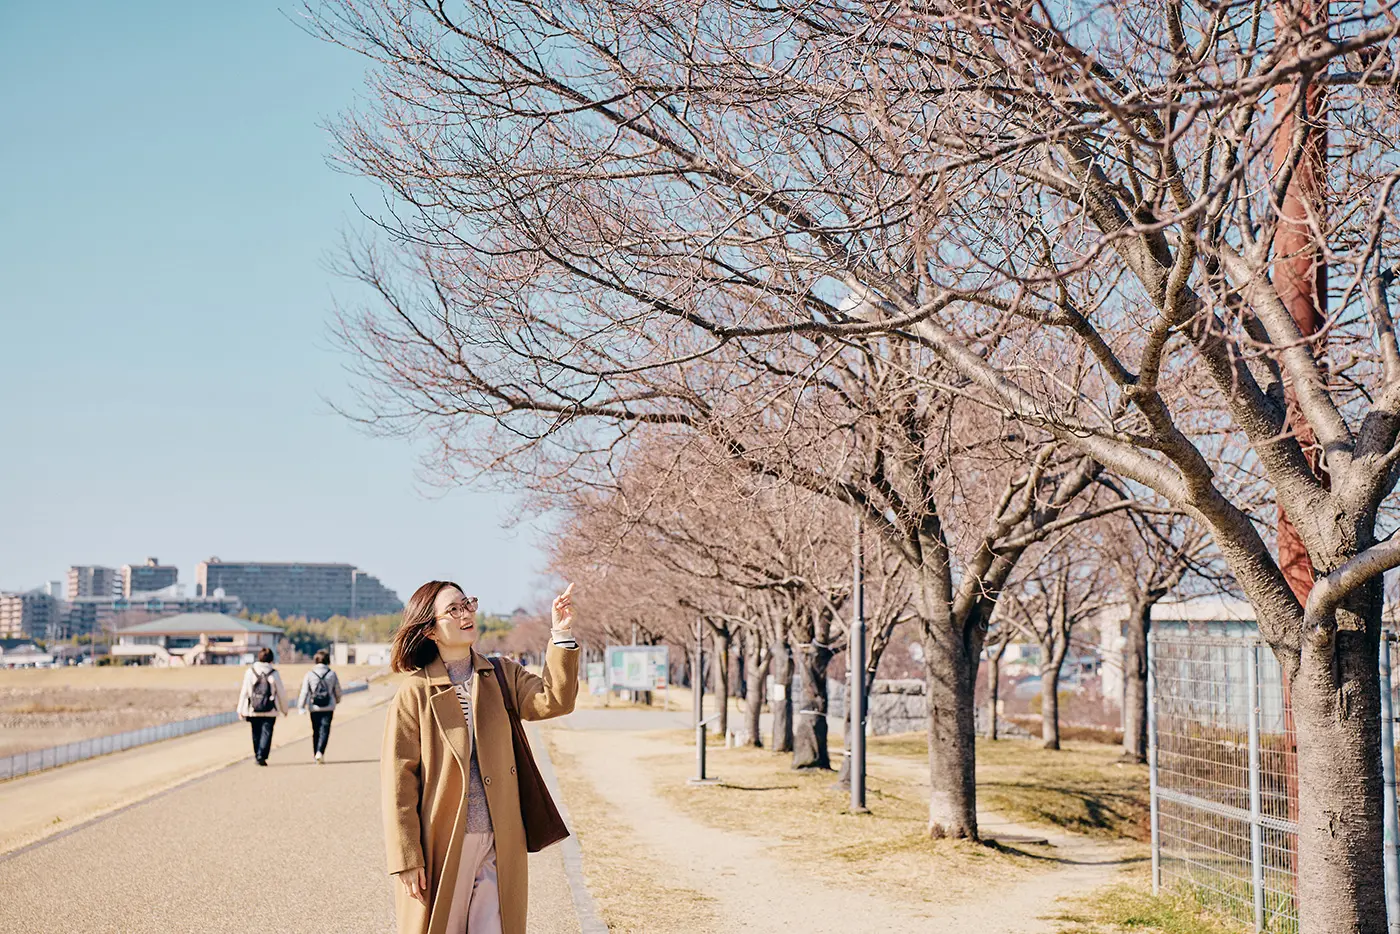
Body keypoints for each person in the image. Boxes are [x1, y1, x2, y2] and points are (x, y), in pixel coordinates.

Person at [383, 580, 579, 934]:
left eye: (467, 604)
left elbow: (555, 700)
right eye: (453, 610)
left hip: (500, 838)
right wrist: (406, 857)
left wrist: (561, 634)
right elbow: (398, 782)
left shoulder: (501, 674)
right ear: (429, 630)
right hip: (442, 841)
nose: (466, 614)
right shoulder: (414, 693)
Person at [236, 647, 287, 766]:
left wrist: (240, 709)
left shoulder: (250, 672)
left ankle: (257, 754)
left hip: (253, 709)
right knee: (267, 732)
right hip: (270, 709)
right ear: (271, 659)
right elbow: (281, 692)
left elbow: (244, 691)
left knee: (255, 732)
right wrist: (284, 709)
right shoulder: (274, 673)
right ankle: (262, 755)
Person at [298, 648, 343, 763]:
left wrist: (301, 706)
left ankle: (316, 754)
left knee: (316, 730)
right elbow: (337, 690)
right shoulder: (332, 674)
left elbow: (304, 691)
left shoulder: (309, 674)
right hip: (328, 707)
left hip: (314, 707)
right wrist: (337, 700)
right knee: (325, 729)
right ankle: (320, 752)